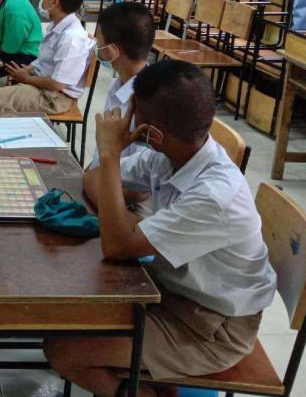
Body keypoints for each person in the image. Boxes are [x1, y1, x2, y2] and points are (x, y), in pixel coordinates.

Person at [46, 60, 276, 397]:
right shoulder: (172, 155)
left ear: (151, 133)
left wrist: (110, 154)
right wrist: (129, 228)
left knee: (64, 351)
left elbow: (116, 245)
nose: (127, 121)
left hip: (211, 329)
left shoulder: (215, 195)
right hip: (171, 293)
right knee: (67, 314)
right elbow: (92, 180)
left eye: (133, 113)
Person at [87, 1, 155, 172]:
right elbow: (101, 153)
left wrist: (90, 178)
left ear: (112, 51)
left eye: (99, 43)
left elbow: (137, 182)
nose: (97, 48)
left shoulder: (148, 105)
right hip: (101, 176)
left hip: (117, 185)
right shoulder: (117, 86)